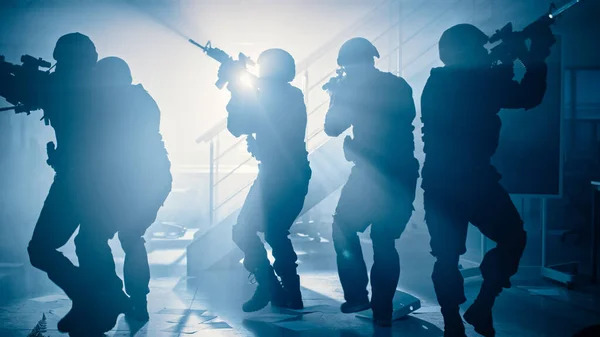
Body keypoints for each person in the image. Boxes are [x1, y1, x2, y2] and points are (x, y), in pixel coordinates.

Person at [421, 24, 555, 337]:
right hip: (474, 180)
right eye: (477, 49)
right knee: (512, 238)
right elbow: (528, 93)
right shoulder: (476, 79)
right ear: (463, 52)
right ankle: (481, 305)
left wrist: (514, 54)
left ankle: (454, 322)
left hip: (443, 181)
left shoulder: (440, 80)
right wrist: (529, 52)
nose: (483, 53)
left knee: (447, 255)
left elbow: (506, 83)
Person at [25, 33, 129, 336]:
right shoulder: (96, 89)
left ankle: (89, 297)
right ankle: (98, 300)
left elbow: (27, 89)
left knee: (42, 249)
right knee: (89, 244)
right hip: (101, 182)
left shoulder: (66, 87)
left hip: (76, 183)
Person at [324, 37, 419, 327]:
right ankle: (382, 312)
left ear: (345, 65)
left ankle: (356, 295)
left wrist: (336, 95)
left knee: (342, 227)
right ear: (373, 59)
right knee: (385, 242)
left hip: (369, 174)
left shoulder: (351, 89)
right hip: (402, 174)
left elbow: (332, 128)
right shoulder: (399, 85)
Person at [219, 48, 312, 312]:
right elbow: (244, 122)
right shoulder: (288, 95)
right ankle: (286, 292)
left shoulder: (280, 95)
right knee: (274, 232)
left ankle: (271, 287)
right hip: (285, 173)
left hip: (279, 174)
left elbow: (241, 123)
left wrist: (237, 84)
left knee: (246, 231)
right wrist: (239, 83)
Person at [87, 56, 172, 322]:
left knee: (98, 238)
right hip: (151, 180)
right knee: (130, 238)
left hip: (139, 181)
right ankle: (135, 301)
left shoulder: (121, 103)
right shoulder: (140, 99)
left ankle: (120, 296)